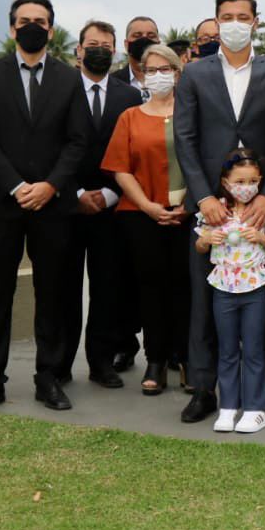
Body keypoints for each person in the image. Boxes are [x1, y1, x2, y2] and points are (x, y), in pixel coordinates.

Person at [172, 0, 265, 423]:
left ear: (257, 22)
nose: (235, 23)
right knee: (204, 300)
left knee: (261, 301)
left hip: (258, 205)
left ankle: (258, 394)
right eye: (227, 17)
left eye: (243, 16)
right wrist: (204, 196)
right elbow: (184, 138)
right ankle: (204, 388)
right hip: (210, 205)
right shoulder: (194, 74)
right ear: (216, 21)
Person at [0, 0, 90, 413]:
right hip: (2, 205)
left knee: (52, 292)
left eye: (40, 20)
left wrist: (50, 185)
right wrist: (17, 185)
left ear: (51, 30)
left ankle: (48, 376)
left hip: (53, 206)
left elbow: (78, 140)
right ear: (12, 27)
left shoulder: (68, 78)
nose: (32, 26)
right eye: (24, 20)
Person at [103, 43, 188, 394]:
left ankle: (186, 358)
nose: (157, 76)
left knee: (187, 289)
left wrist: (192, 204)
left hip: (189, 215)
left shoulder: (192, 114)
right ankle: (155, 359)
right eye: (150, 70)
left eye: (164, 69)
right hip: (141, 216)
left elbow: (208, 161)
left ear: (177, 73)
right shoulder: (130, 117)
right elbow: (120, 169)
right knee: (151, 288)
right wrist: (148, 206)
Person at [72, 21, 145, 384]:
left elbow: (133, 156)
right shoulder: (60, 90)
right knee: (64, 291)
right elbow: (49, 148)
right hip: (66, 204)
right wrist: (75, 192)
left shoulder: (128, 96)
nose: (99, 49)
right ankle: (55, 367)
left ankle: (101, 363)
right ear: (78, 50)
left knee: (107, 288)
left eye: (106, 44)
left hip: (111, 206)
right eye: (92, 43)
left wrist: (111, 194)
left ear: (115, 50)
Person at [195, 149, 265, 434]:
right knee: (228, 349)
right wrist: (208, 238)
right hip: (223, 289)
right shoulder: (215, 211)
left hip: (255, 288)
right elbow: (199, 246)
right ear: (225, 182)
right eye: (240, 181)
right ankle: (229, 406)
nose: (247, 188)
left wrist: (261, 237)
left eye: (253, 181)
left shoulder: (262, 212)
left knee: (254, 349)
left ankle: (256, 408)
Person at [112, 16, 160, 100]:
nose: (144, 39)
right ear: (126, 44)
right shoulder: (111, 82)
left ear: (158, 43)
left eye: (151, 36)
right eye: (137, 36)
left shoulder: (172, 81)